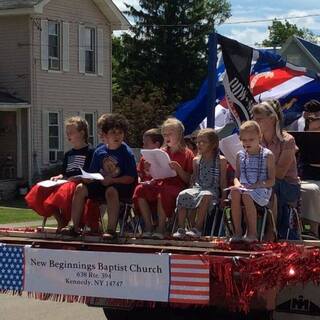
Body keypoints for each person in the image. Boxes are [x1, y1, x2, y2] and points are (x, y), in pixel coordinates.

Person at [62, 113, 137, 238]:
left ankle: (111, 230)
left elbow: (130, 178)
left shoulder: (126, 152)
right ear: (106, 135)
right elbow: (93, 173)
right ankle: (73, 226)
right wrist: (87, 178)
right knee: (80, 188)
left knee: (111, 191)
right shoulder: (99, 151)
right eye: (113, 132)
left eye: (120, 132)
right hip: (102, 183)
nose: (117, 136)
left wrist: (113, 180)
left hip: (121, 186)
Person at [25, 116, 94, 231]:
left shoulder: (91, 152)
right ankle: (60, 219)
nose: (68, 136)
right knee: (40, 188)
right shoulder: (68, 154)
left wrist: (74, 178)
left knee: (64, 189)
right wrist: (59, 176)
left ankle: (72, 223)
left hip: (78, 184)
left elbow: (90, 174)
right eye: (67, 133)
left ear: (82, 133)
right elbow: (65, 172)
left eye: (71, 132)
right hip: (66, 182)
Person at [135, 118, 194, 239]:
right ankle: (148, 226)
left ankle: (161, 228)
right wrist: (148, 169)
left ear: (179, 134)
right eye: (164, 134)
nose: (167, 137)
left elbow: (189, 180)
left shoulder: (187, 153)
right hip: (159, 183)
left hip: (177, 187)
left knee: (164, 190)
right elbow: (154, 175)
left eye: (170, 133)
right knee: (140, 189)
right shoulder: (160, 151)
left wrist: (179, 169)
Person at [252, 100, 300, 240]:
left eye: (259, 118)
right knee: (239, 190)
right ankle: (246, 232)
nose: (255, 121)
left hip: (287, 186)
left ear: (272, 119)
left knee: (271, 186)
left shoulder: (288, 140)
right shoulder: (257, 141)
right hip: (264, 182)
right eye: (254, 118)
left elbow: (280, 173)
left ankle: (270, 231)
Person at [173, 128, 227, 239]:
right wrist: (190, 188)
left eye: (203, 142)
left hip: (212, 190)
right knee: (183, 194)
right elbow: (194, 177)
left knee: (205, 195)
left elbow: (223, 179)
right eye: (198, 142)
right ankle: (181, 228)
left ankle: (197, 228)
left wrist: (224, 196)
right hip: (198, 188)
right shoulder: (196, 160)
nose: (199, 144)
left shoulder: (220, 160)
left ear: (212, 144)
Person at [230, 121, 275, 242]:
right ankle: (238, 231)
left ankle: (252, 233)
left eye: (251, 139)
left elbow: (271, 181)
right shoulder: (240, 155)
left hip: (261, 189)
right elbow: (237, 176)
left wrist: (257, 185)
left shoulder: (267, 155)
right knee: (235, 192)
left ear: (259, 137)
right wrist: (237, 184)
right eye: (244, 140)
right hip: (244, 187)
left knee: (246, 195)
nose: (247, 143)